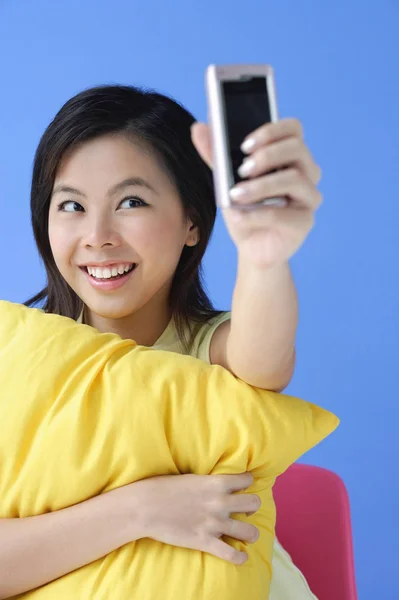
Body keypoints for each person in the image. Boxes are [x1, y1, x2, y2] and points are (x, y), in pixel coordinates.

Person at [0, 85, 321, 599]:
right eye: (71, 205)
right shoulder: (15, 359)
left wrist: (264, 256)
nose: (98, 235)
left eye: (131, 201)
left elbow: (262, 360)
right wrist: (142, 509)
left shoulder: (211, 351)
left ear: (192, 221)